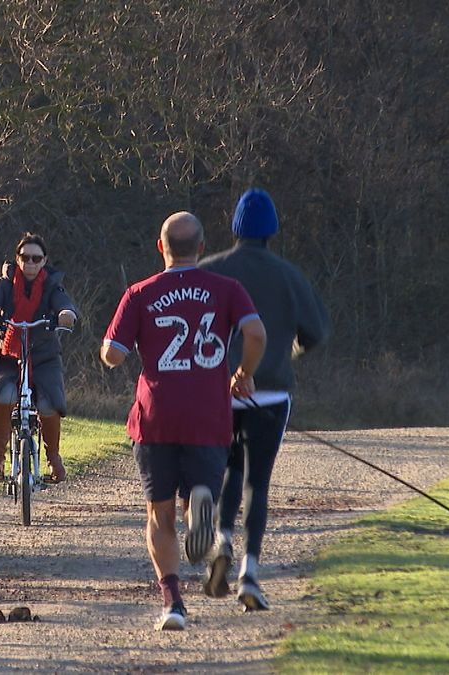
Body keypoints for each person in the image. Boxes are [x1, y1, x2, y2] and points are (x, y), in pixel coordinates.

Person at [100, 211, 266, 631]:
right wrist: (243, 374)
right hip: (209, 415)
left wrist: (120, 343)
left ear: (161, 247)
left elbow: (112, 355)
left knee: (158, 514)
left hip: (155, 416)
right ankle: (199, 508)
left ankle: (173, 603)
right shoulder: (227, 289)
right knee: (198, 493)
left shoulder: (140, 293)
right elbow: (257, 334)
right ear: (202, 248)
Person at [196, 188, 331, 611]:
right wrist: (285, 355)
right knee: (259, 480)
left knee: (227, 470)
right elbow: (315, 333)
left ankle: (221, 540)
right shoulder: (290, 275)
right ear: (272, 229)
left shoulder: (209, 270)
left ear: (235, 227)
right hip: (270, 392)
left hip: (217, 392)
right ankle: (250, 573)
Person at [0, 233, 79, 484]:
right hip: (8, 355)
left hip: (44, 357)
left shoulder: (51, 285)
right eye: (25, 257)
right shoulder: (4, 285)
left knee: (49, 405)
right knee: (4, 396)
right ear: (18, 258)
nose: (30, 263)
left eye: (36, 258)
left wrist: (66, 313)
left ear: (44, 260)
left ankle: (54, 459)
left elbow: (64, 303)